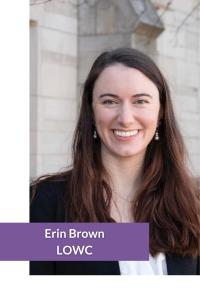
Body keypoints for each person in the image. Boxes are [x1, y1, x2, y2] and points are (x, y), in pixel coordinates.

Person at [30, 48, 200, 275]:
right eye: (109, 102)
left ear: (160, 113)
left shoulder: (190, 205)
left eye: (140, 101)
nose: (126, 118)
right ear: (91, 111)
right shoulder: (41, 202)